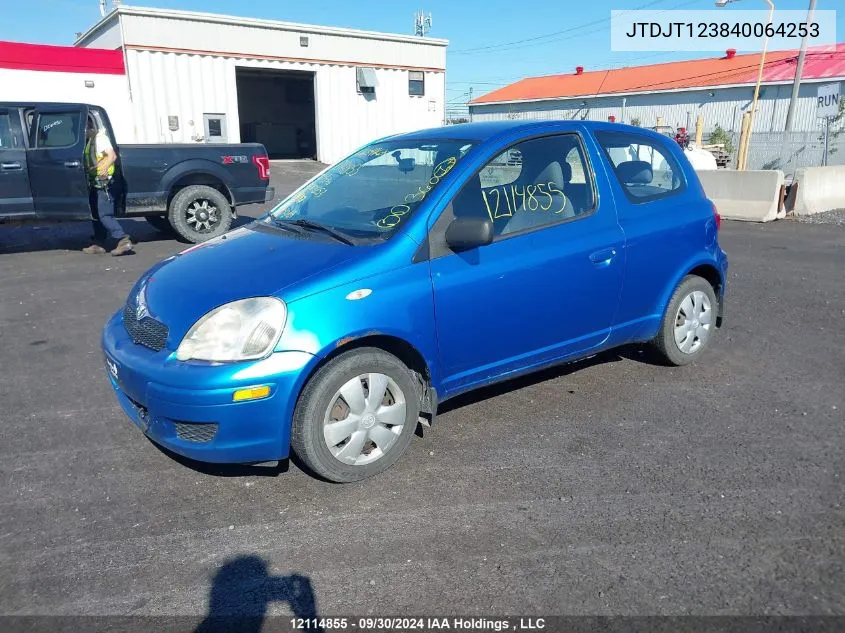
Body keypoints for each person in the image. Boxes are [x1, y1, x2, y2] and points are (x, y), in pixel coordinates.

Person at [82, 115, 134, 255]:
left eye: (84, 128)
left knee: (105, 214)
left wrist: (104, 168)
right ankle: (99, 243)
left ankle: (123, 240)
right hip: (95, 181)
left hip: (105, 182)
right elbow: (97, 159)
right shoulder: (90, 140)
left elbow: (111, 155)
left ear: (89, 126)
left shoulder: (100, 138)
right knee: (96, 214)